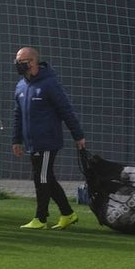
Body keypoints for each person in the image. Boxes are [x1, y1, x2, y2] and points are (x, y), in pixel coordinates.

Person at [12, 46, 86, 230]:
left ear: (32, 62)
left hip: (47, 140)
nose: (17, 65)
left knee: (42, 178)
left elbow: (65, 110)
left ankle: (41, 218)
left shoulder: (49, 83)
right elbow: (17, 115)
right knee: (47, 178)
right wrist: (16, 139)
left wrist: (78, 136)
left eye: (21, 61)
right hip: (31, 142)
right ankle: (68, 213)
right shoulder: (21, 86)